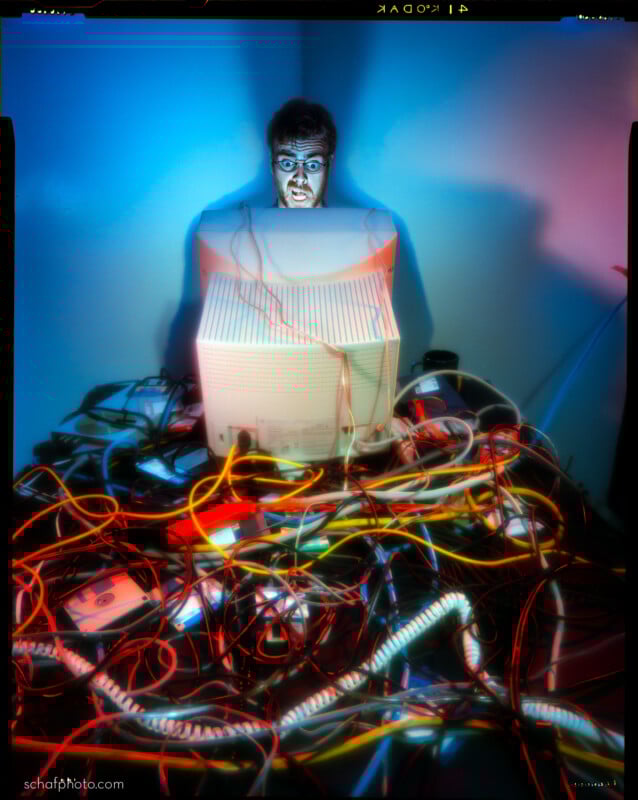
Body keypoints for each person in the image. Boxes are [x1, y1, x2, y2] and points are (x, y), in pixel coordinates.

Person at [267, 98, 337, 208]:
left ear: (329, 165)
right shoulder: (245, 225)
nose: (300, 179)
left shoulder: (356, 225)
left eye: (313, 165)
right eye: (287, 164)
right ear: (272, 165)